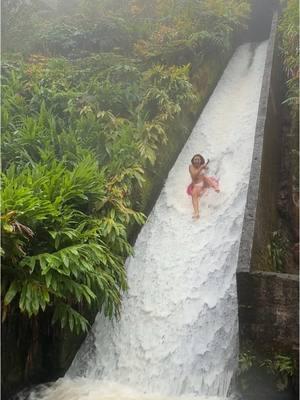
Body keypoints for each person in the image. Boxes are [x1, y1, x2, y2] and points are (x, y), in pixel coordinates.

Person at [187, 154, 219, 219]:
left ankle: (215, 187)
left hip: (204, 184)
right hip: (197, 186)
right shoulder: (191, 167)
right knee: (194, 194)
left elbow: (205, 172)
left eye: (198, 160)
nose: (197, 161)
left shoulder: (202, 166)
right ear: (193, 161)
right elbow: (194, 176)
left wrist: (205, 167)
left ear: (200, 161)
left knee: (205, 177)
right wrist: (201, 168)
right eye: (195, 159)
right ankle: (196, 213)